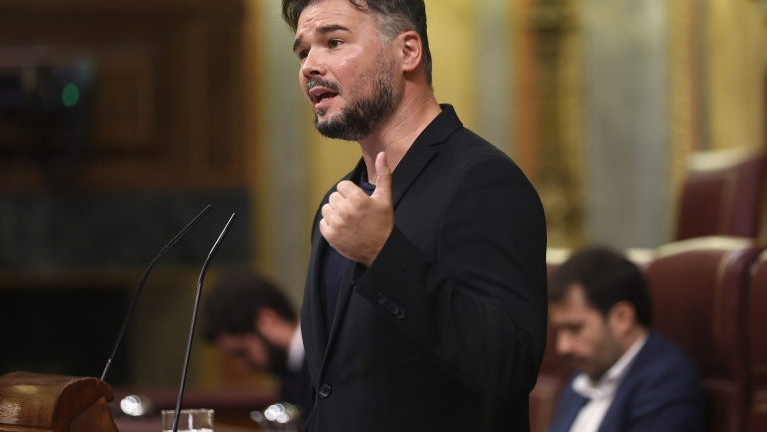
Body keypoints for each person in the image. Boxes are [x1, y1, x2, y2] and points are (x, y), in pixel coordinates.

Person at [280, 1, 548, 431]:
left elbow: (512, 364)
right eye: (303, 51)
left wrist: (384, 254)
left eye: (334, 42)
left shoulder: (482, 180)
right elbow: (335, 392)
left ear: (407, 51)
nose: (310, 65)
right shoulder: (338, 203)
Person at [546, 246, 705, 432]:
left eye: (575, 328)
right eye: (559, 330)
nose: (562, 347)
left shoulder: (668, 381)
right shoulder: (582, 378)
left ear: (622, 318)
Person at [201, 267, 311, 415]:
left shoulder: (325, 361)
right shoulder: (291, 374)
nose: (244, 368)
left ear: (267, 318)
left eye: (242, 352)